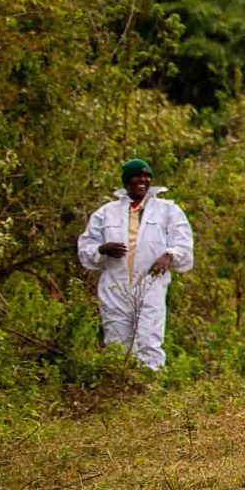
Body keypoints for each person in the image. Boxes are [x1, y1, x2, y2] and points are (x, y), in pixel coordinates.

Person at [77, 158, 195, 370]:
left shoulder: (168, 211)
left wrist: (169, 256)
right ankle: (121, 389)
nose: (142, 180)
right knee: (116, 343)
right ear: (126, 181)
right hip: (115, 286)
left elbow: (184, 247)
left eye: (146, 176)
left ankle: (150, 391)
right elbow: (85, 250)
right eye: (136, 176)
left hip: (151, 284)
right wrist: (102, 249)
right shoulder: (106, 212)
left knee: (149, 340)